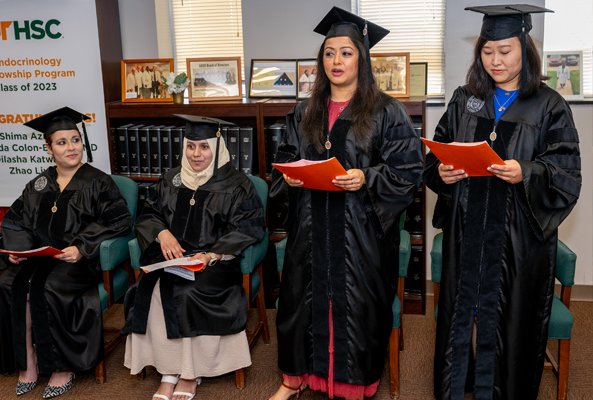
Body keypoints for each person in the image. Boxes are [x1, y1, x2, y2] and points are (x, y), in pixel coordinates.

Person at [423, 5, 581, 400]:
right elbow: (436, 155)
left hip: (517, 241)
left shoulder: (549, 105)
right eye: (488, 50)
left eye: (505, 50)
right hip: (468, 231)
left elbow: (565, 174)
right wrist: (440, 172)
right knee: (467, 314)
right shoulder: (465, 99)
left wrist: (525, 171)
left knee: (509, 321)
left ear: (525, 51)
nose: (495, 60)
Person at [269, 7, 422, 400]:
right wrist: (287, 175)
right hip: (311, 227)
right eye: (329, 53)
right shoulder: (304, 112)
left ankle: (353, 383)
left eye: (346, 53)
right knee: (301, 301)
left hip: (361, 233)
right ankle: (296, 378)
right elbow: (285, 159)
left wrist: (365, 177)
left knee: (356, 304)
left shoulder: (387, 111)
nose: (336, 61)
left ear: (363, 58)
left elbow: (408, 171)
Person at [122, 115, 266, 400]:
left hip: (215, 261)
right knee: (147, 288)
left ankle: (190, 372)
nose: (196, 154)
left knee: (187, 292)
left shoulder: (236, 183)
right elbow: (150, 213)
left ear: (217, 146)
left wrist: (212, 254)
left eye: (203, 147)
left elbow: (249, 227)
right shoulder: (171, 178)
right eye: (190, 146)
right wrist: (162, 234)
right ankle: (168, 370)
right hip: (171, 257)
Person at [0, 107, 133, 398]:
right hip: (40, 258)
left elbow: (118, 220)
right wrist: (17, 251)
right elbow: (15, 220)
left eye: (75, 140)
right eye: (62, 142)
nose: (71, 147)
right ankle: (28, 360)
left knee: (50, 287)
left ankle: (61, 366)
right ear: (48, 148)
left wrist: (81, 248)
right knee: (7, 284)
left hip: (77, 262)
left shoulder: (98, 181)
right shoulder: (39, 184)